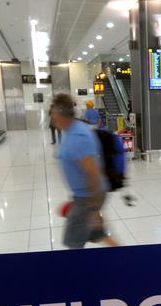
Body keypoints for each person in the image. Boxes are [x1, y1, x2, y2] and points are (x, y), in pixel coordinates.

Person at [50, 94, 119, 248]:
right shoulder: (72, 129)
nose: (52, 119)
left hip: (87, 198)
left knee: (72, 242)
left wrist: (92, 208)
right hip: (85, 196)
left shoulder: (77, 136)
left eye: (53, 114)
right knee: (98, 235)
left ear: (61, 114)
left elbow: (93, 172)